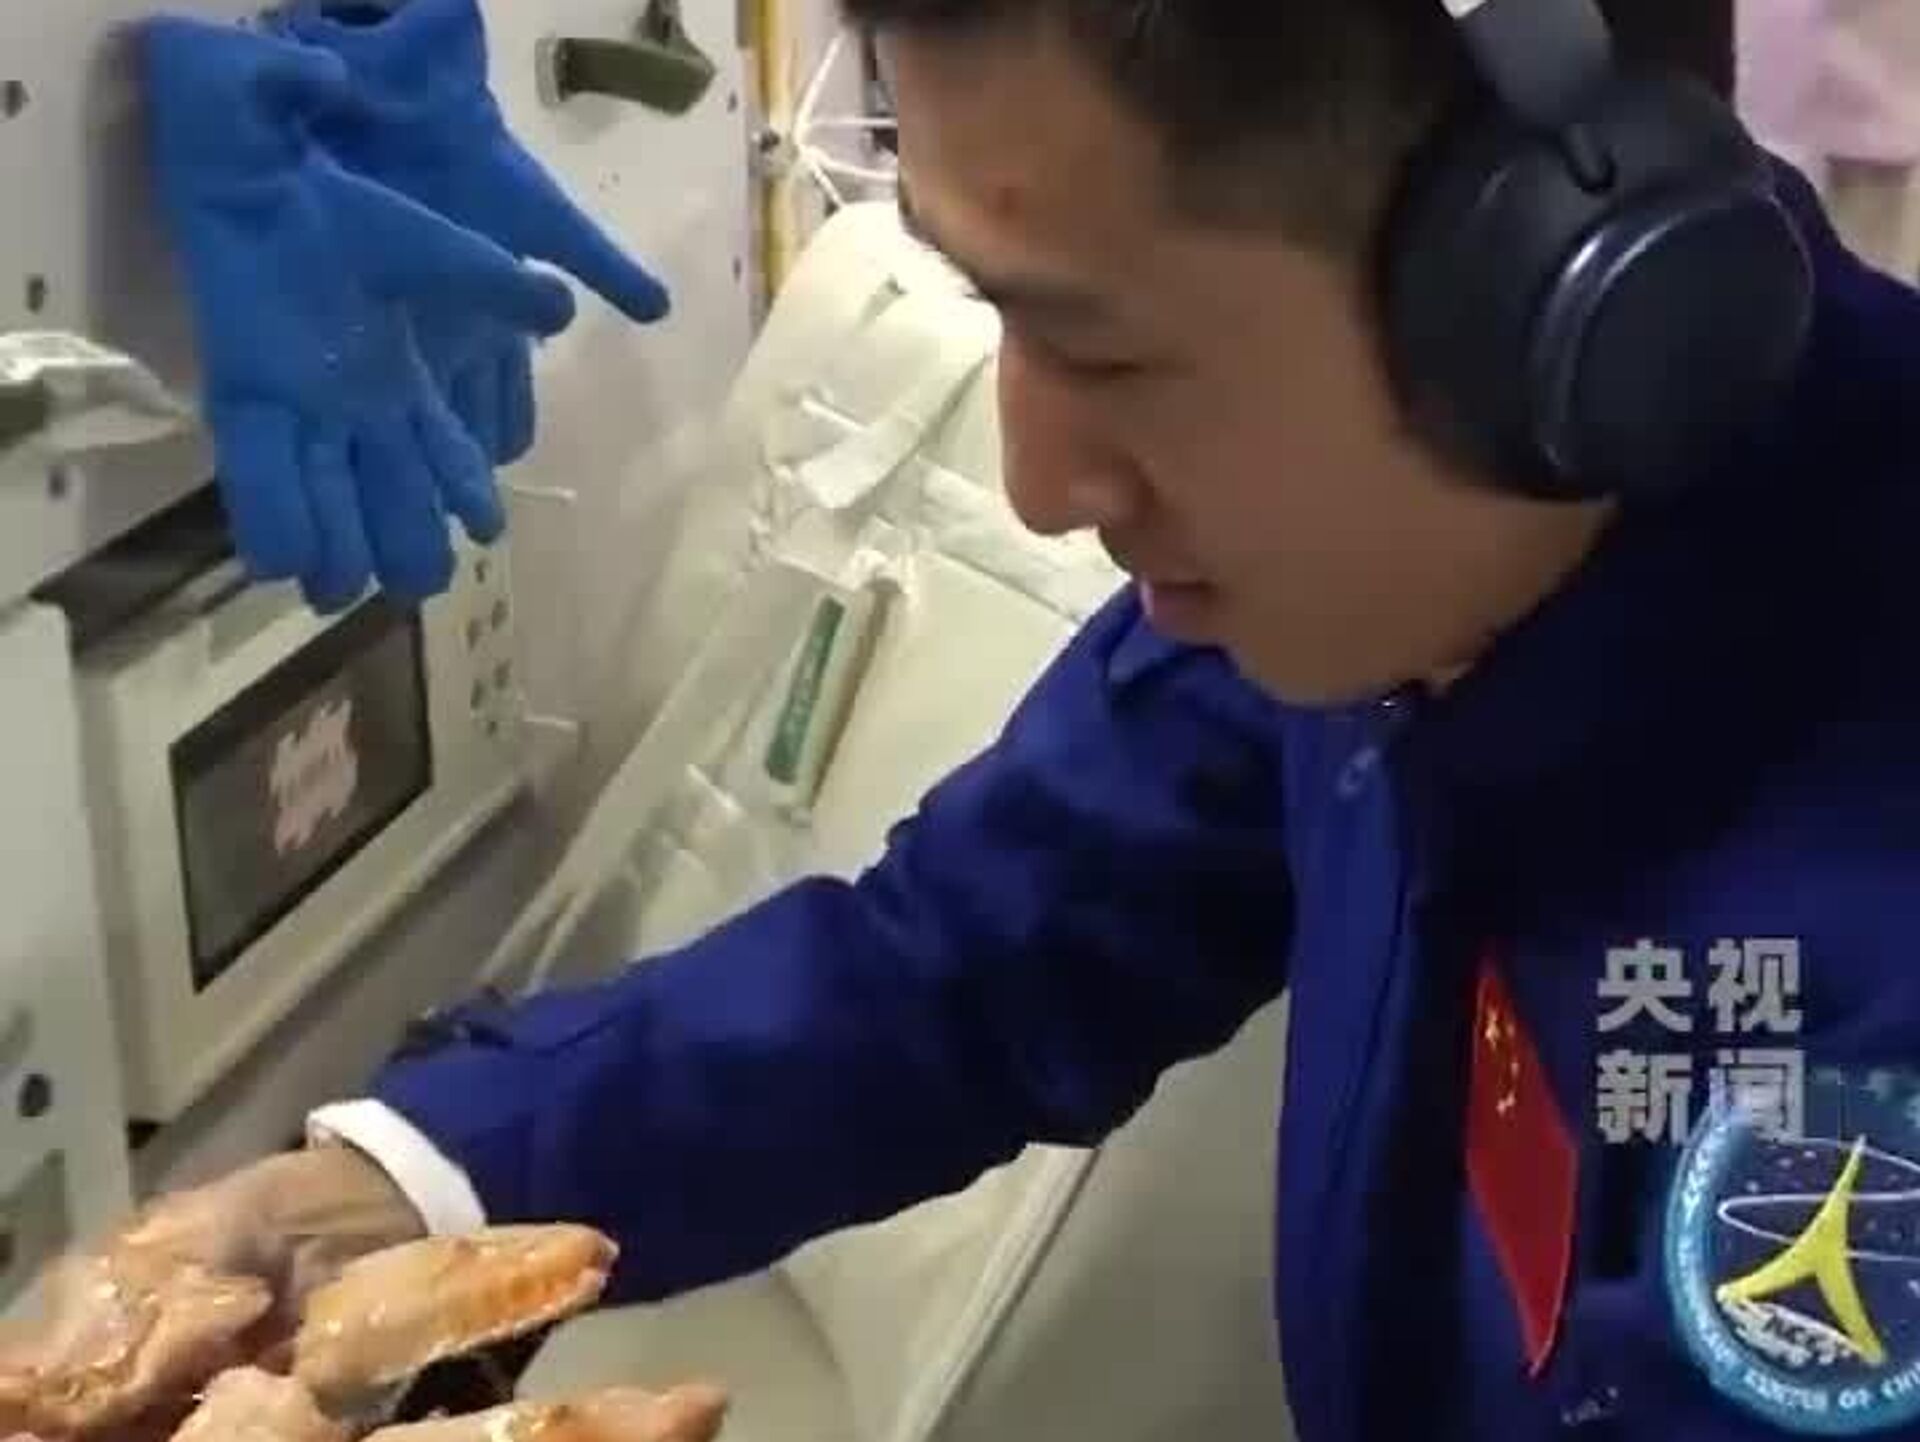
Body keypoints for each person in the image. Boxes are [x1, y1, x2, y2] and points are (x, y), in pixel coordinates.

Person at [40, 0, 1920, 1438]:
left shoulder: (1865, 990)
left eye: (1100, 346)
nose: (1037, 479)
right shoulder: (1394, 585)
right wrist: (381, 1198)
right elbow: (968, 952)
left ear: (1562, 308)